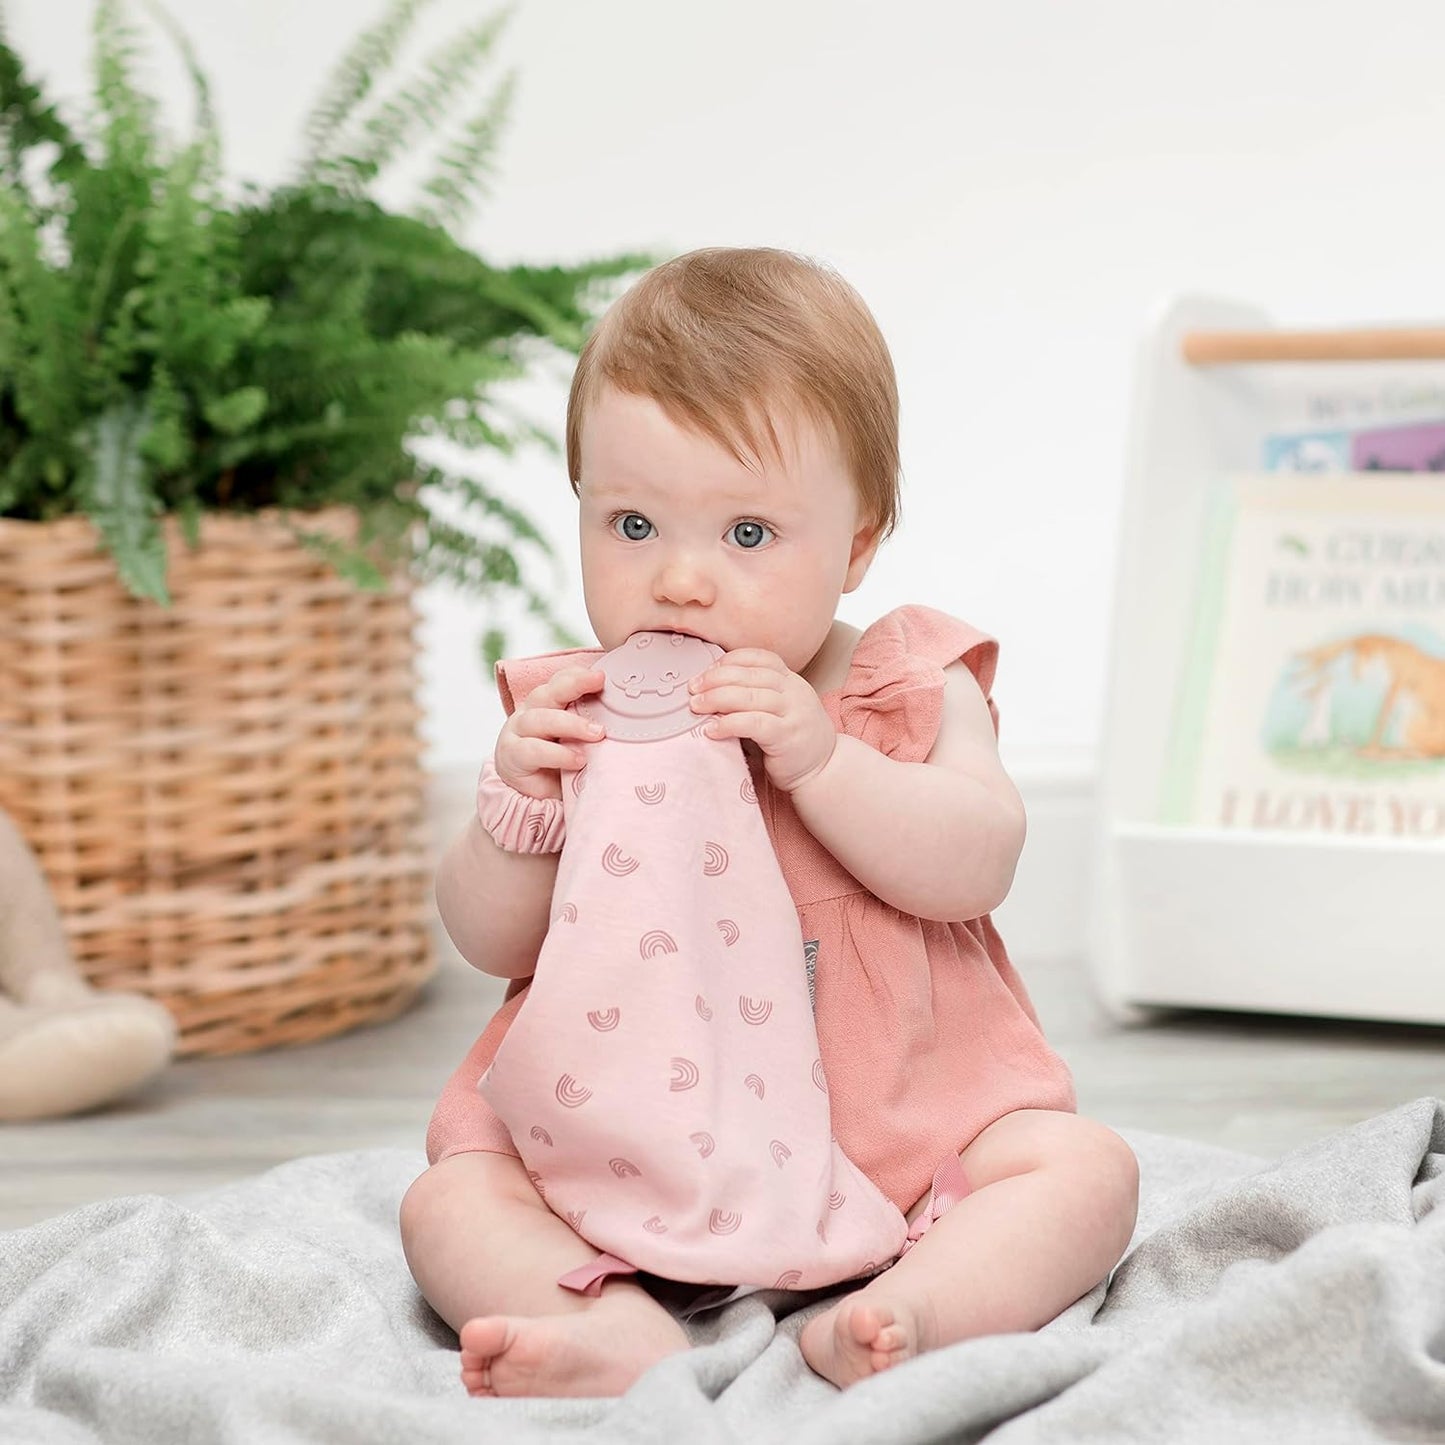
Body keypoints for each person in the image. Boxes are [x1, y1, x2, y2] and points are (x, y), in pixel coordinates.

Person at [400, 247, 1139, 1398]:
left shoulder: (902, 685)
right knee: (450, 1196)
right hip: (623, 1135)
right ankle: (611, 1329)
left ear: (853, 543)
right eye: (632, 524)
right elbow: (488, 940)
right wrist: (516, 808)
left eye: (747, 535)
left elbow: (975, 860)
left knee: (1081, 1171)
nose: (680, 581)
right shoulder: (573, 711)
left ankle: (913, 1305)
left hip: (892, 1136)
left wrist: (822, 760)